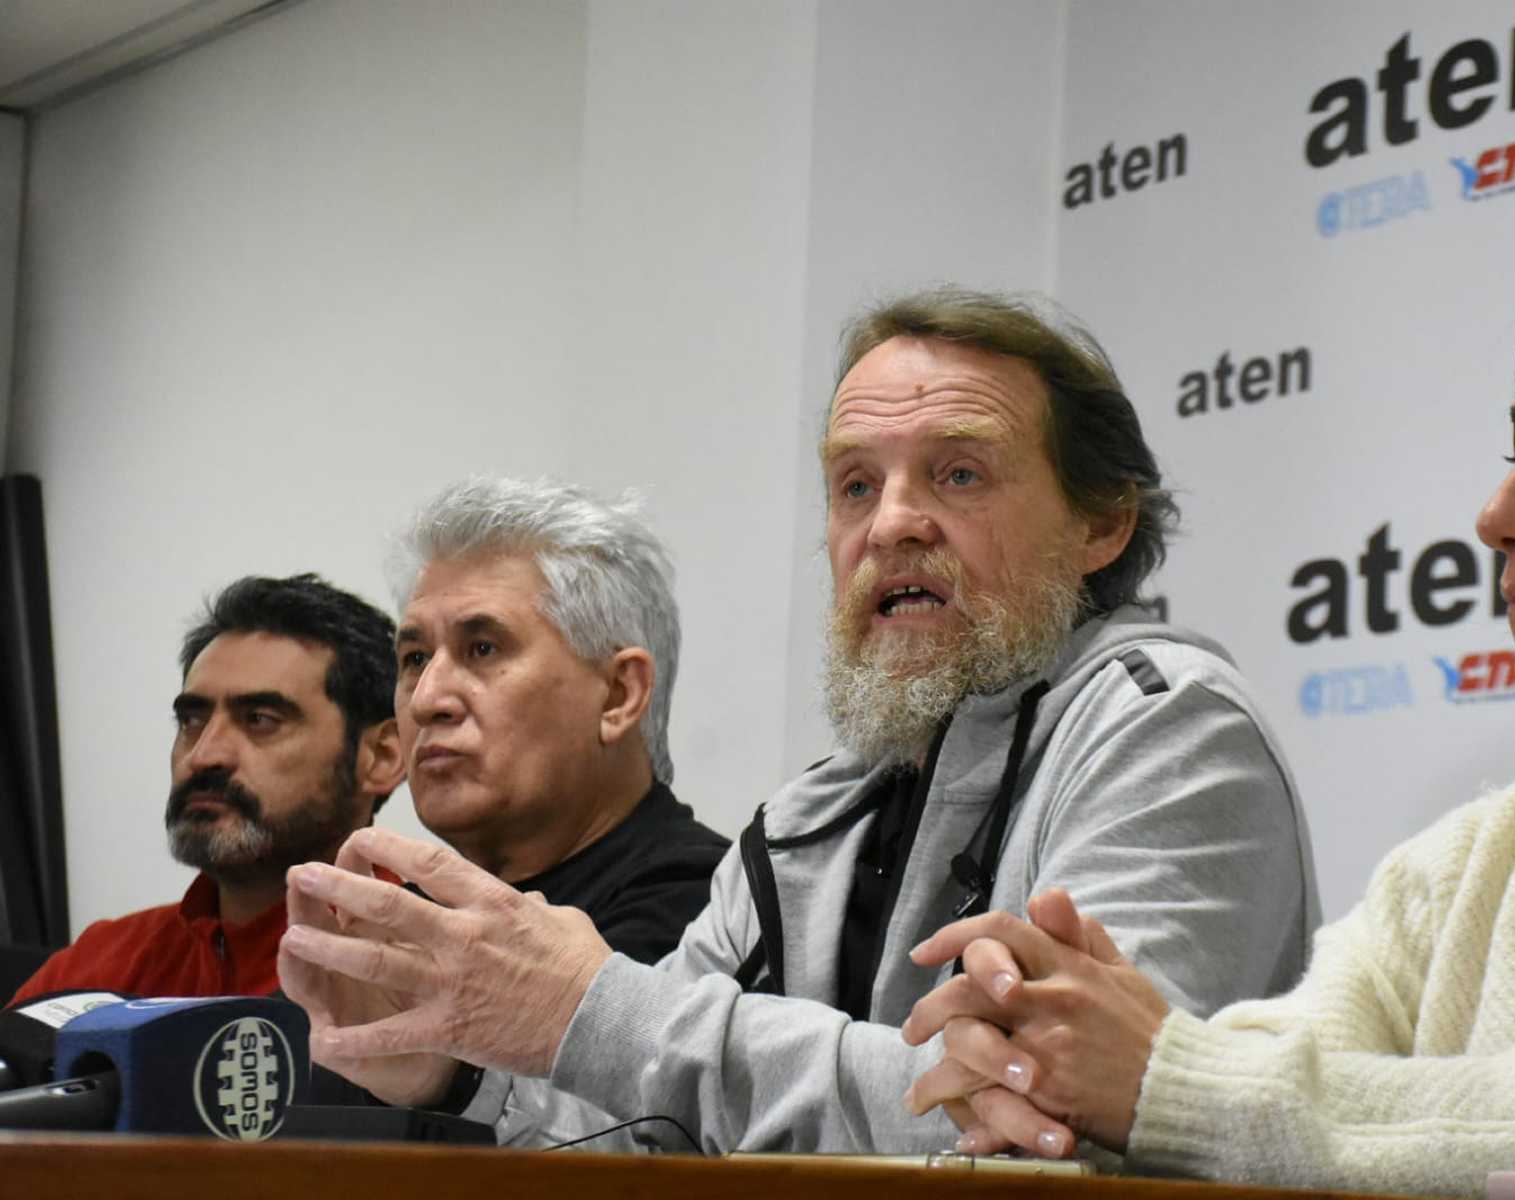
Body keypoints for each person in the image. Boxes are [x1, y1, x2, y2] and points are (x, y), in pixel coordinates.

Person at [276, 290, 1318, 1153]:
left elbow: (1041, 1121)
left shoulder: (1169, 730)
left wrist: (591, 1010)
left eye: (957, 472)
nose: (893, 523)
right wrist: (462, 1071)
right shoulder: (810, 816)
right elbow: (643, 1129)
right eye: (855, 485)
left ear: (1102, 522)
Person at [901, 215, 1515, 1192]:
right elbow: (1252, 1080)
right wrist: (1049, 1059)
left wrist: (1161, 1084)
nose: (1498, 517)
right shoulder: (1463, 873)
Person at [9, 574, 403, 1007]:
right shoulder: (96, 966)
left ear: (380, 757)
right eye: (192, 721)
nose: (204, 755)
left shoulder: (431, 971)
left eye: (260, 719)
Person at [387, 476, 727, 964]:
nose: (426, 700)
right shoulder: (402, 922)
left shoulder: (717, 920)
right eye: (415, 659)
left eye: (482, 649)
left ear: (618, 695)